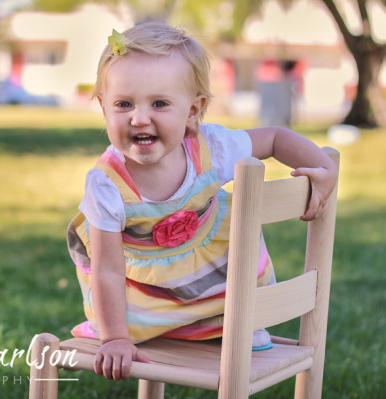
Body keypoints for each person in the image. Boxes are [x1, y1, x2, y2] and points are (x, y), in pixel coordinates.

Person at [67, 22, 337, 381]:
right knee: (132, 316)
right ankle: (177, 329)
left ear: (194, 111)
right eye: (123, 104)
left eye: (159, 103)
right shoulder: (106, 184)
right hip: (149, 296)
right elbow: (108, 270)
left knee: (234, 296)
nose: (140, 117)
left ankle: (221, 327)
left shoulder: (213, 148)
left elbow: (274, 137)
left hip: (218, 282)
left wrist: (324, 167)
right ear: (103, 107)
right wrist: (115, 337)